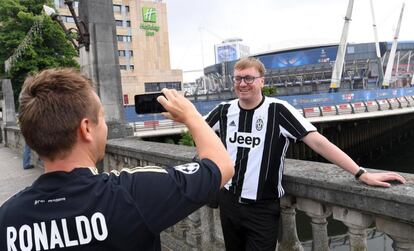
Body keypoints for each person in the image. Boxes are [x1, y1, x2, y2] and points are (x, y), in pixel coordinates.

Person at [0, 68, 234, 251]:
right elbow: (220, 165)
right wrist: (191, 115)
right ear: (86, 129)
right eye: (101, 118)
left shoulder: (8, 217)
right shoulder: (132, 193)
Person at [205, 57, 406, 251]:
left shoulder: (278, 110)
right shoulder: (224, 110)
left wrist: (362, 173)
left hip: (262, 207)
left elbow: (318, 143)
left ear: (262, 81)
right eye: (238, 78)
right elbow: (195, 123)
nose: (242, 83)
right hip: (228, 202)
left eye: (249, 78)